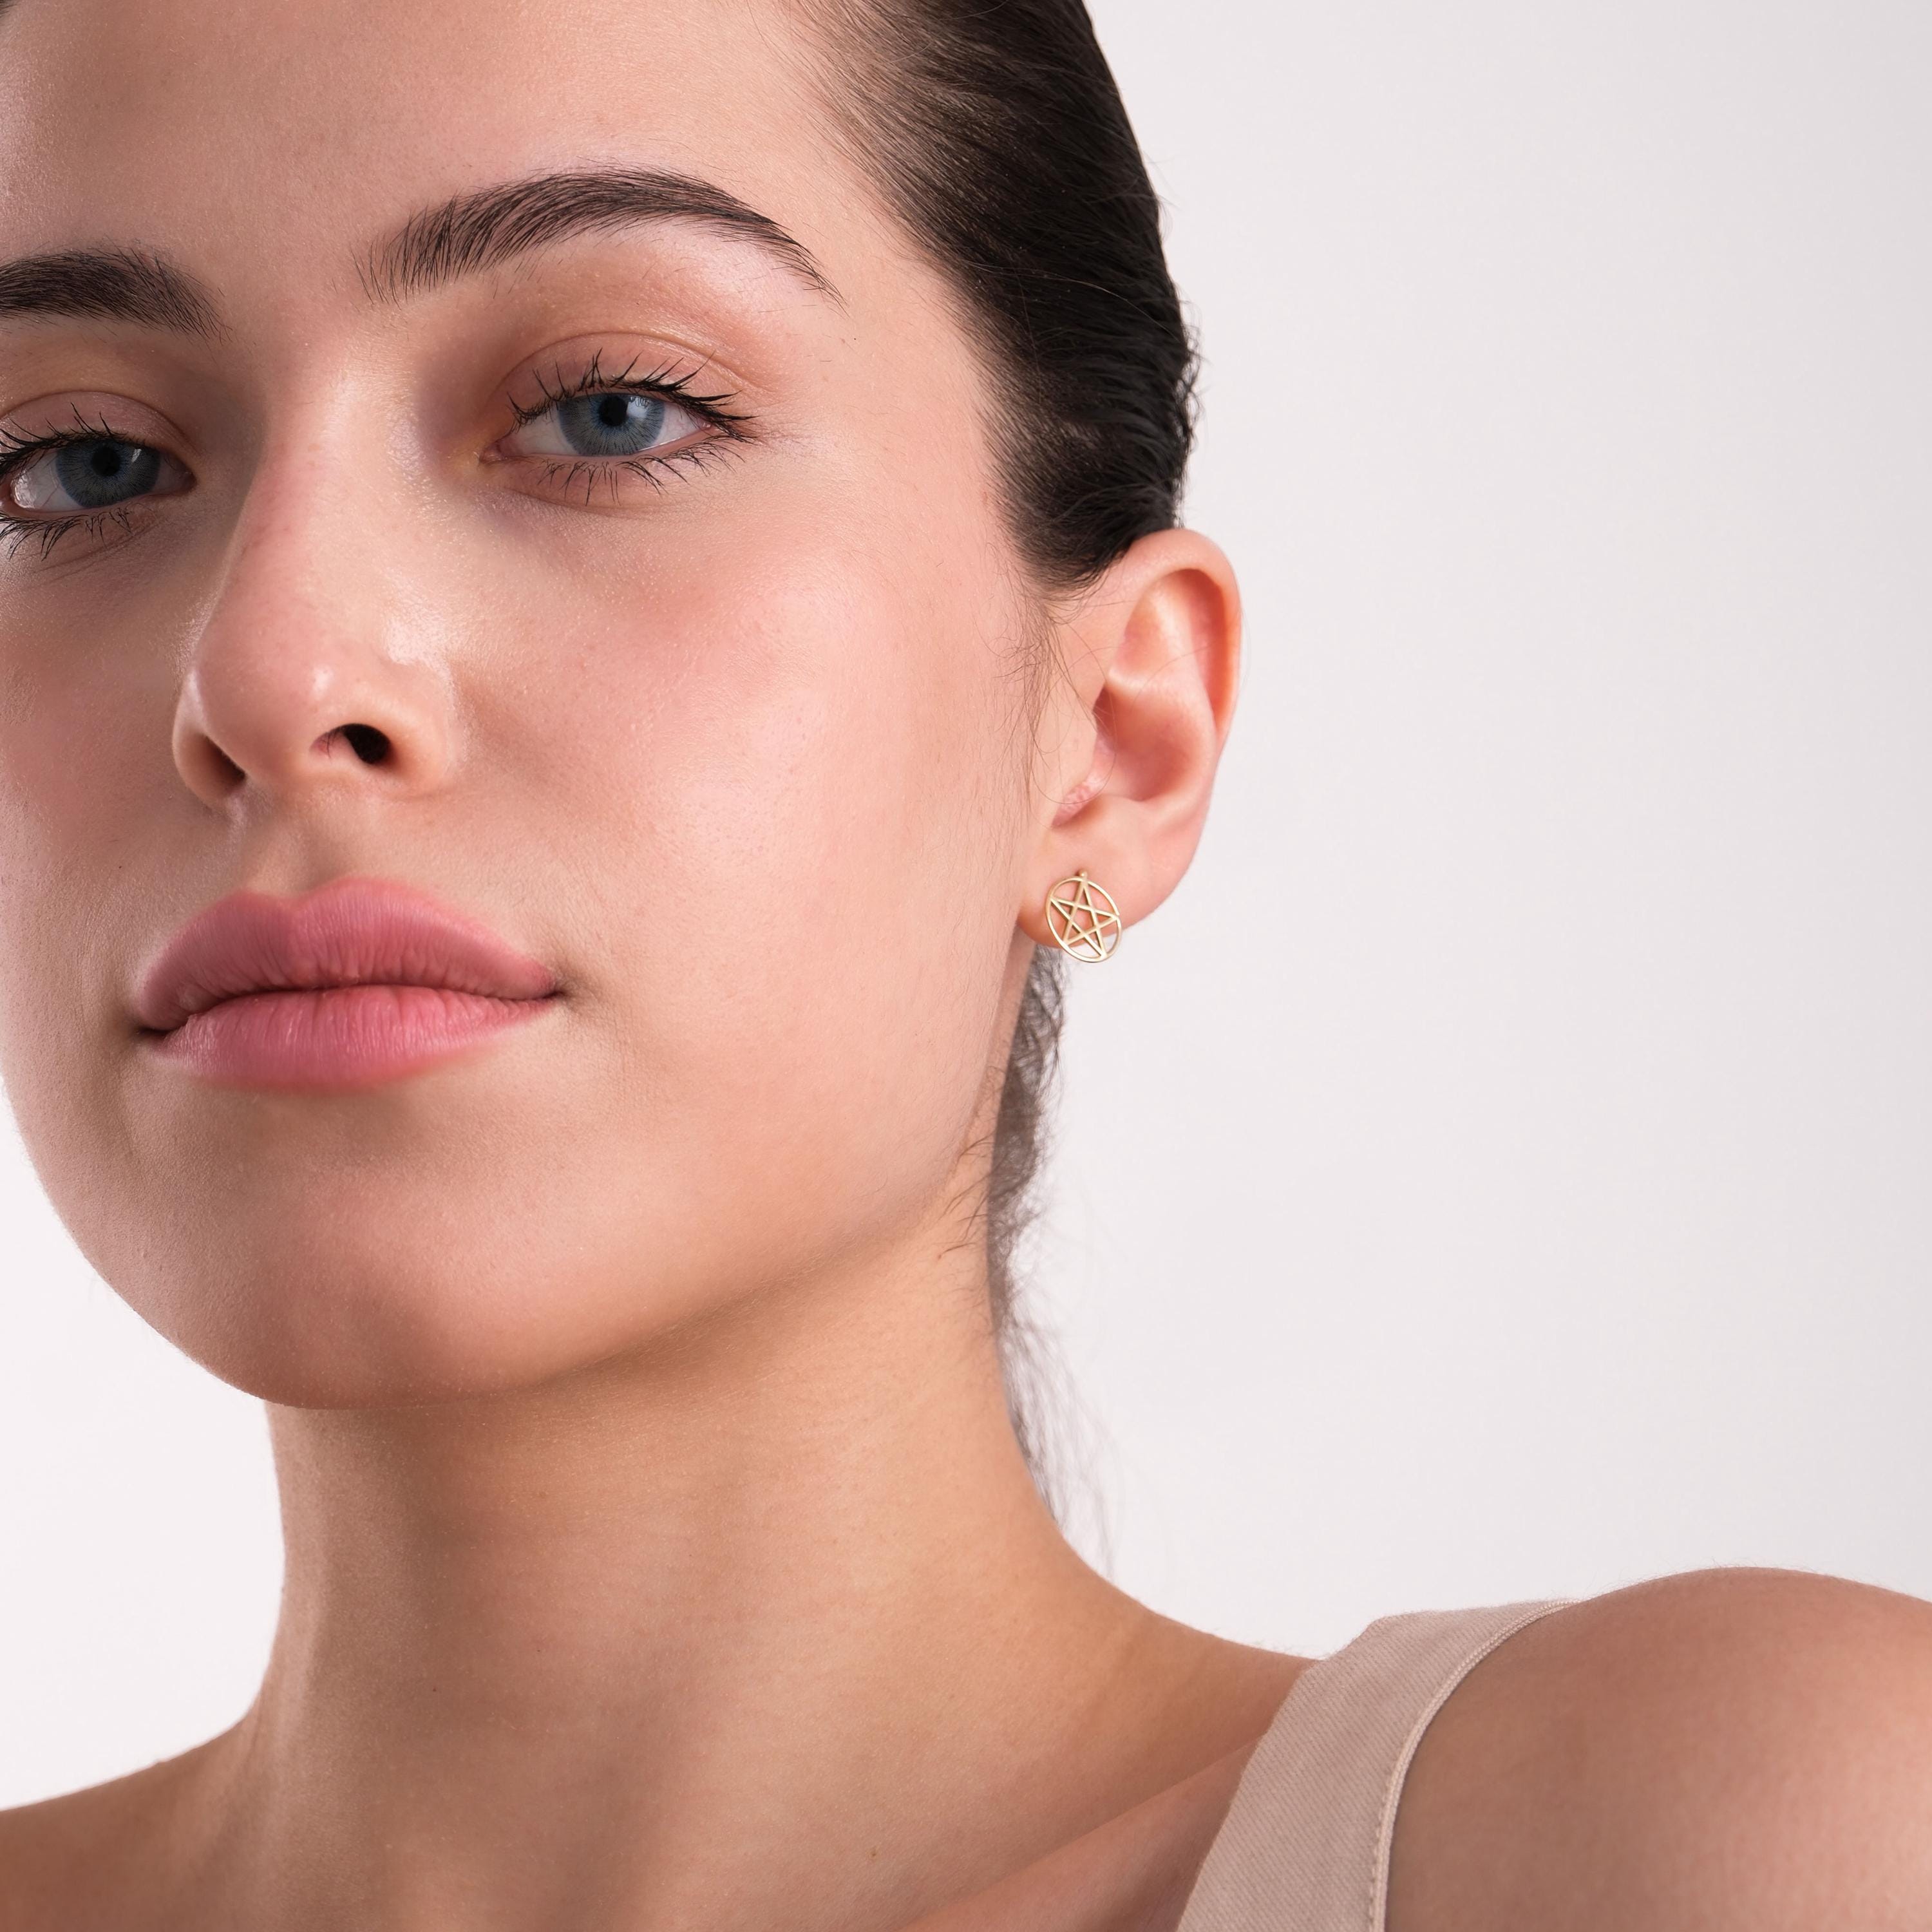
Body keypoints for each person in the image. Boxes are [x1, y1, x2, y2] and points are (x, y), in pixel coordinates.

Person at [0, 0, 1927, 1924]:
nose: (265, 674)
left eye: (611, 411)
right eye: (82, 467)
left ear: (1111, 745)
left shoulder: (1714, 1844)